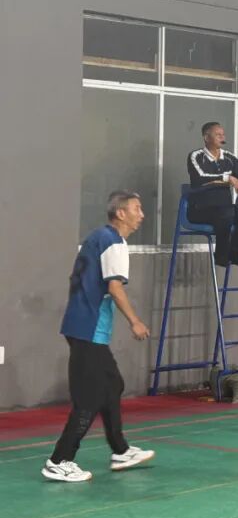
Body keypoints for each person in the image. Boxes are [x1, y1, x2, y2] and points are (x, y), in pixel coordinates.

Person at [43, 191, 156, 482]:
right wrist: (135, 321)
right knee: (90, 397)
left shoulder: (98, 237)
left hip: (84, 326)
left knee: (112, 384)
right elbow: (114, 287)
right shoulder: (113, 242)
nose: (142, 214)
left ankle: (120, 450)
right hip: (88, 328)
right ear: (121, 213)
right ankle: (60, 460)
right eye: (137, 208)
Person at [187, 121, 238, 267]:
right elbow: (199, 178)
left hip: (225, 211)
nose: (222, 137)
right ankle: (221, 255)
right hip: (200, 210)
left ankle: (234, 251)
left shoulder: (229, 158)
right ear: (206, 138)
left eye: (223, 134)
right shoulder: (195, 156)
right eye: (218, 135)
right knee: (227, 213)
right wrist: (227, 178)